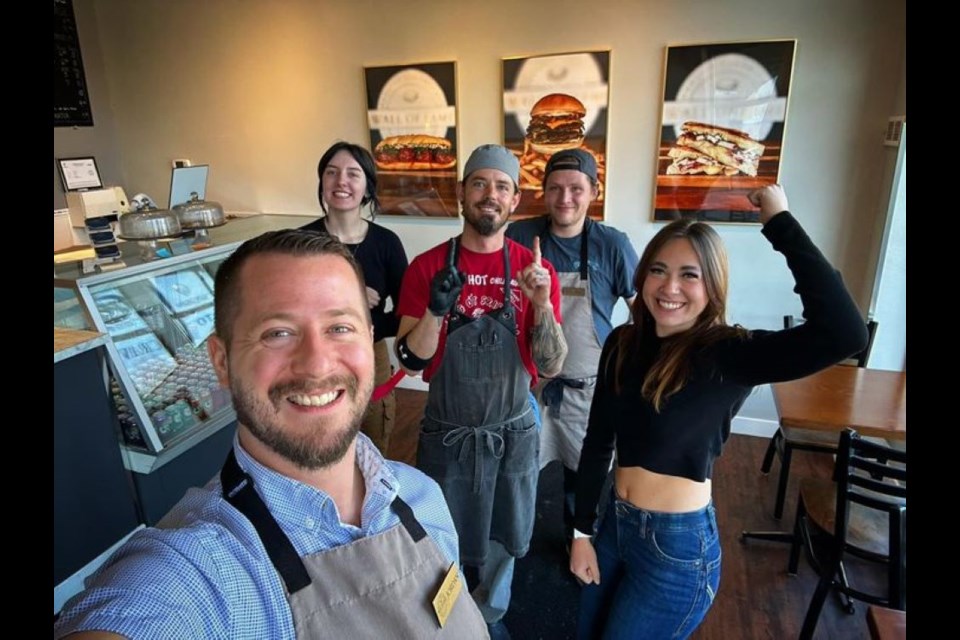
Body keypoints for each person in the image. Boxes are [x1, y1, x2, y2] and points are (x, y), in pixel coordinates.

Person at [54, 230, 487, 639]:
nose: (317, 365)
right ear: (221, 360)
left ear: (369, 338)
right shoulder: (201, 570)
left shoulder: (421, 496)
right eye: (277, 333)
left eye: (340, 328)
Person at [569, 185, 868, 640]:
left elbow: (845, 331)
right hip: (615, 526)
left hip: (677, 549)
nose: (669, 288)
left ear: (713, 283)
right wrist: (581, 532)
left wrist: (780, 222)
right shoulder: (622, 343)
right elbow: (597, 442)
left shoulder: (730, 354)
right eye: (658, 270)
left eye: (690, 275)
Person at [395, 144, 568, 637]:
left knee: (503, 534)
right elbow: (412, 360)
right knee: (440, 531)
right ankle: (451, 623)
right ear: (461, 194)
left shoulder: (536, 272)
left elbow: (552, 364)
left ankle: (490, 616)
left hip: (511, 430)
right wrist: (435, 310)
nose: (489, 195)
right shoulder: (428, 268)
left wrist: (543, 305)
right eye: (479, 183)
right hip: (447, 430)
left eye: (501, 186)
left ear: (514, 201)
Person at [506, 149, 639, 546]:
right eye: (555, 189)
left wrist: (626, 366)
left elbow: (643, 314)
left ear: (594, 192)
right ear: (543, 193)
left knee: (580, 477)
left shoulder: (611, 245)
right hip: (527, 386)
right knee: (518, 470)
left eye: (576, 189)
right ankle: (513, 543)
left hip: (585, 389)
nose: (565, 198)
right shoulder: (518, 236)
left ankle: (576, 538)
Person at [301, 141, 408, 455]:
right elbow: (290, 306)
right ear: (321, 182)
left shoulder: (387, 243)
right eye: (331, 173)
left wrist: (365, 325)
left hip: (368, 354)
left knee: (373, 440)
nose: (340, 182)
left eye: (352, 174)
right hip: (313, 353)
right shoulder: (301, 242)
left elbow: (405, 314)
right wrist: (348, 296)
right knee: (319, 439)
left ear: (367, 186)